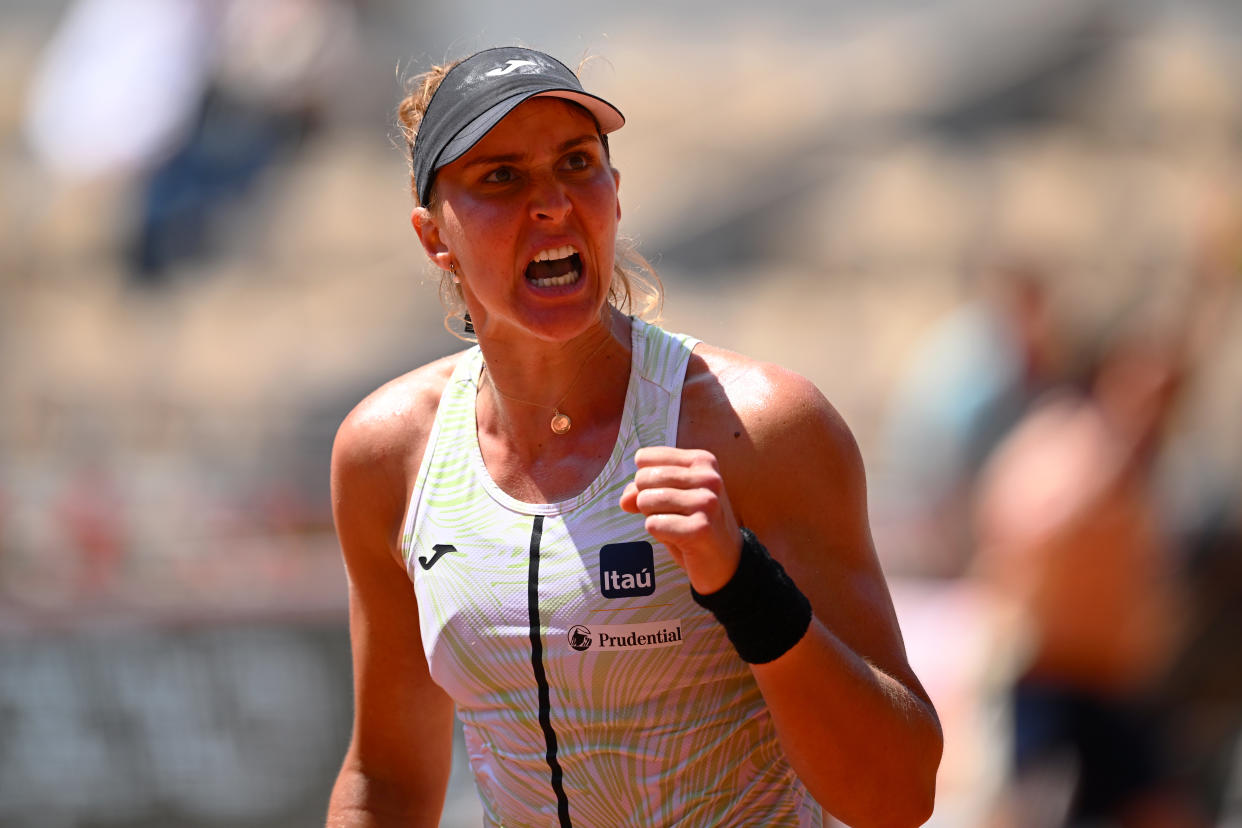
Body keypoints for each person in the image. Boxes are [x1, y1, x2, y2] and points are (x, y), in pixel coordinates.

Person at [325, 46, 942, 827]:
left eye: (577, 164)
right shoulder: (388, 455)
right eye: (502, 177)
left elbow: (896, 797)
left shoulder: (761, 428)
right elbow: (387, 779)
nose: (551, 203)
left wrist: (743, 584)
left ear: (614, 193)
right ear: (433, 236)